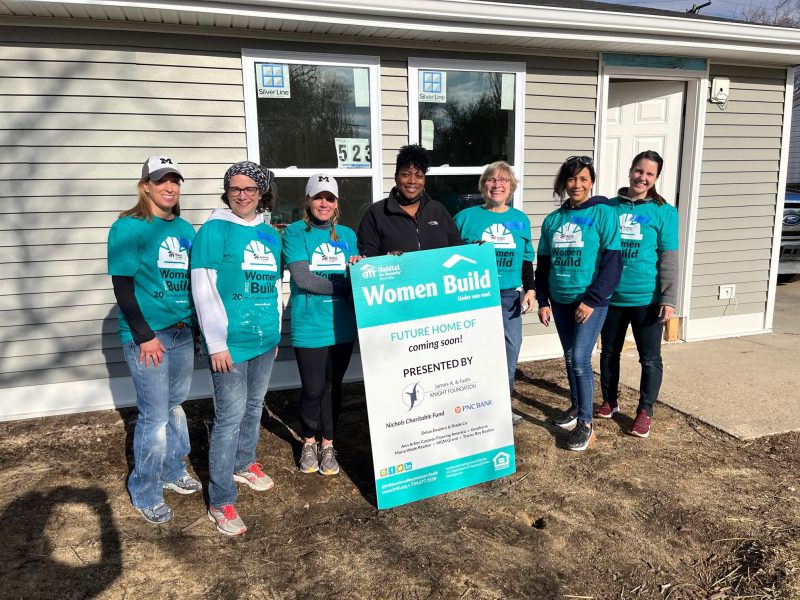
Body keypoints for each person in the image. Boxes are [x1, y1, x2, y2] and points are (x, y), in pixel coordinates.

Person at [191, 161, 283, 536]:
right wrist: (215, 343)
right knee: (229, 418)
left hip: (264, 340)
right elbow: (203, 287)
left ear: (262, 193)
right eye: (234, 188)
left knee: (254, 405)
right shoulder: (214, 230)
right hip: (229, 345)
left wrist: (275, 334)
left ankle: (244, 464)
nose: (242, 195)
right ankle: (220, 500)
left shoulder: (269, 234)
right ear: (226, 192)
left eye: (250, 189)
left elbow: (275, 285)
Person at [108, 156, 201, 524]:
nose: (169, 187)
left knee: (176, 404)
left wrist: (194, 328)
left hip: (180, 332)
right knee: (153, 415)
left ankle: (171, 469)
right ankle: (145, 490)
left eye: (175, 180)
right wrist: (144, 336)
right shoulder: (129, 227)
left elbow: (195, 284)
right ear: (145, 185)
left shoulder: (185, 230)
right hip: (149, 336)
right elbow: (122, 286)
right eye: (161, 180)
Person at [535, 156, 622, 451]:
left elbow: (612, 262)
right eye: (572, 179)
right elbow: (543, 264)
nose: (577, 185)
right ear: (564, 183)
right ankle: (576, 406)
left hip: (589, 301)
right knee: (570, 356)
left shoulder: (604, 213)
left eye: (584, 179)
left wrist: (592, 299)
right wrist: (544, 300)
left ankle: (587, 424)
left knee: (580, 358)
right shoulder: (553, 220)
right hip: (559, 300)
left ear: (592, 182)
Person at [597, 151, 679, 438]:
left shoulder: (664, 211)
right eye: (638, 171)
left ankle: (645, 410)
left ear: (656, 178)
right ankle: (610, 401)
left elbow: (668, 257)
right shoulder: (609, 208)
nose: (642, 178)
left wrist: (669, 298)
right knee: (609, 353)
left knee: (650, 358)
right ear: (630, 171)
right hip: (612, 298)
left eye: (649, 174)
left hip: (647, 299)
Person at [283, 174, 359, 475]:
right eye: (318, 197)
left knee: (333, 388)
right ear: (308, 200)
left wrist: (360, 272)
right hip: (310, 325)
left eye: (329, 198)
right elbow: (303, 278)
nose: (323, 203)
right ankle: (308, 442)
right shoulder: (295, 233)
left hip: (342, 325)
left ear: (336, 203)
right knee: (313, 389)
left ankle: (328, 444)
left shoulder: (348, 235)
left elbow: (358, 272)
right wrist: (344, 287)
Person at [454, 161, 535, 424]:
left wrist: (530, 289)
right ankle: (472, 406)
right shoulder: (465, 218)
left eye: (503, 180)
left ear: (511, 187)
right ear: (483, 185)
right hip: (473, 295)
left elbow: (525, 259)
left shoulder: (520, 220)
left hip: (509, 296)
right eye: (491, 179)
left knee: (510, 350)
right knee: (475, 352)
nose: (496, 185)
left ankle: (501, 405)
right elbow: (448, 256)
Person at [357, 144, 462, 256]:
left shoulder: (438, 210)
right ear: (396, 176)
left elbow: (458, 251)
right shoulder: (376, 213)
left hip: (435, 274)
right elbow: (367, 260)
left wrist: (478, 250)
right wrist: (385, 261)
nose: (412, 181)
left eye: (419, 175)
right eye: (406, 174)